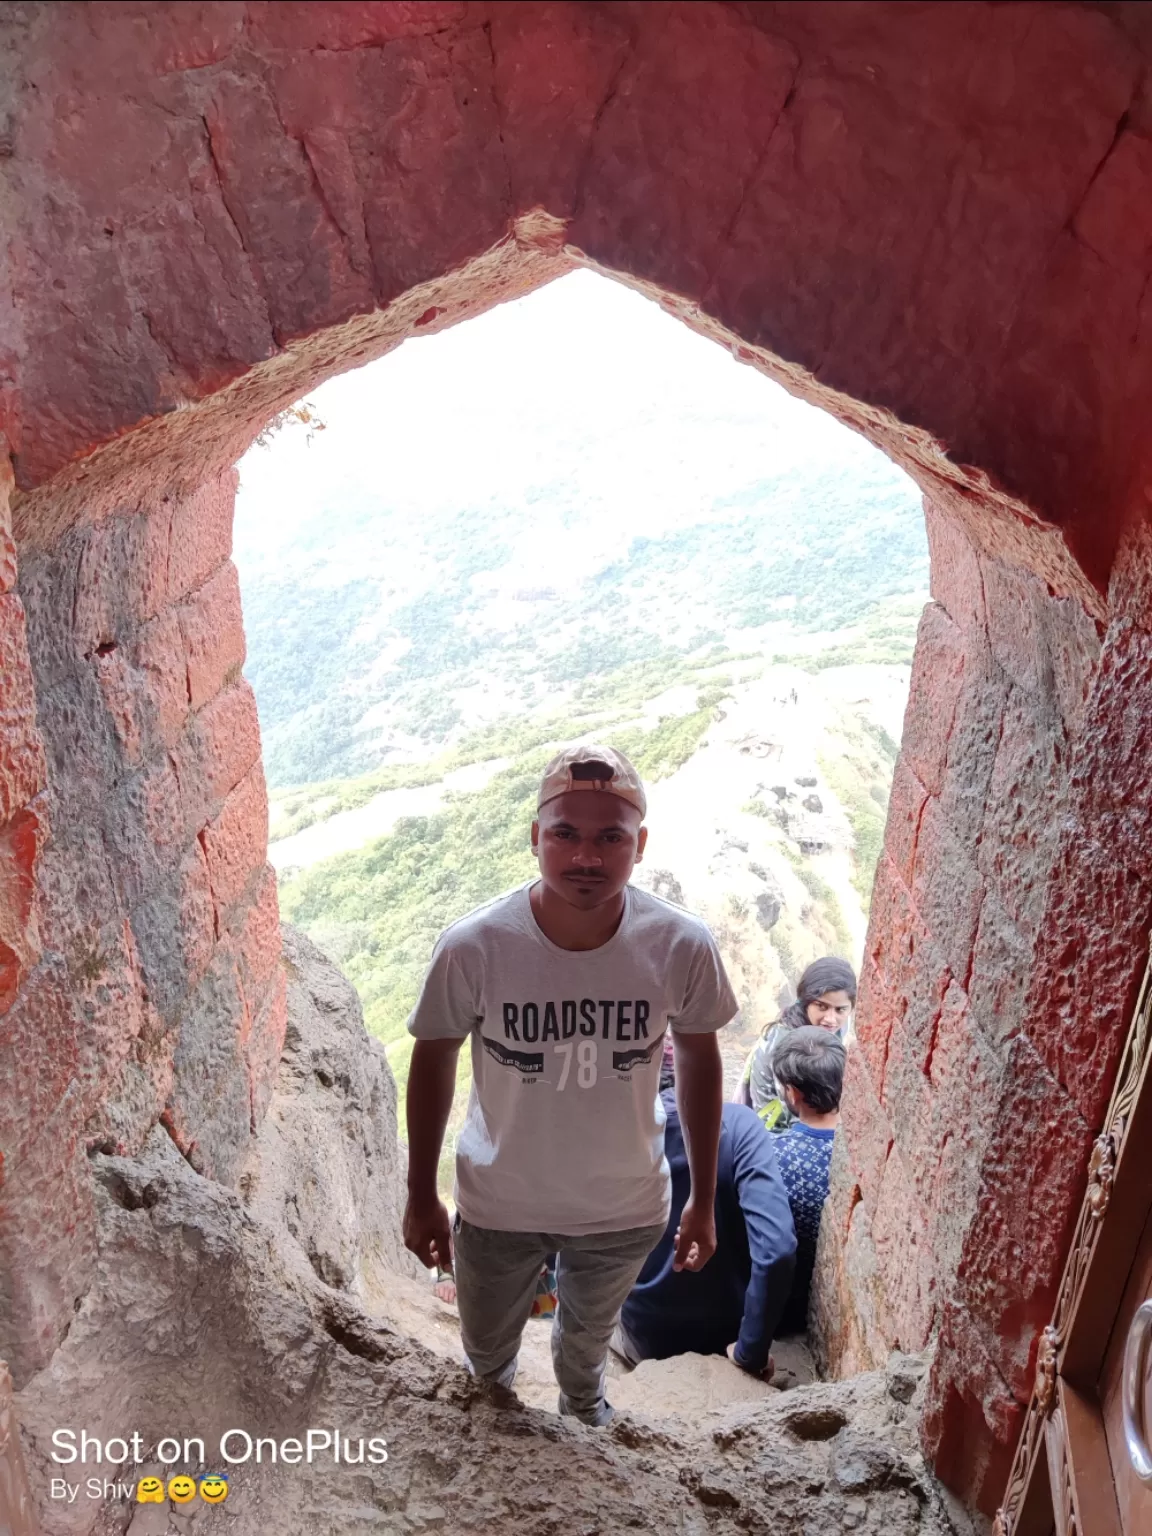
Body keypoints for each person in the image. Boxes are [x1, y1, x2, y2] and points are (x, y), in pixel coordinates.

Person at [403, 743, 737, 1427]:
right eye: (565, 834)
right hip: (499, 1200)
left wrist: (703, 1199)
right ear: (535, 837)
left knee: (585, 1347)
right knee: (487, 1347)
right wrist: (420, 1196)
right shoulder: (475, 947)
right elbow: (433, 1059)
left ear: (639, 845)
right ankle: (496, 1423)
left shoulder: (678, 945)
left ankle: (583, 1423)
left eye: (610, 837)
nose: (586, 857)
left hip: (623, 1203)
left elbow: (701, 1061)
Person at [613, 1071, 797, 1379]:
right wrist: (750, 1351)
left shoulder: (613, 1135)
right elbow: (777, 1249)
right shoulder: (740, 1126)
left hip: (645, 1336)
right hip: (729, 1333)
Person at [770, 1025, 846, 1334]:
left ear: (793, 1092)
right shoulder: (855, 1148)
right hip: (824, 1299)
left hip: (785, 1302)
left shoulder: (773, 1155)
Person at [735, 956, 856, 1130]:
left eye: (840, 1010)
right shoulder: (786, 1044)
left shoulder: (838, 1026)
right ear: (806, 1001)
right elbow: (791, 1108)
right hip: (774, 1127)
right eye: (821, 1006)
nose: (831, 1019)